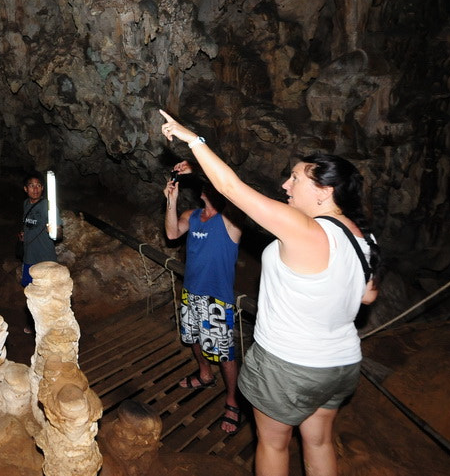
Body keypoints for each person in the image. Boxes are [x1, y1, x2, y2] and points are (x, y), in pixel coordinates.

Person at [159, 109, 379, 476]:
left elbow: (231, 189)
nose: (285, 186)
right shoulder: (361, 236)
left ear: (324, 192)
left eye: (294, 179)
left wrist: (192, 139)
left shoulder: (304, 228)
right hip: (339, 364)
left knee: (274, 446)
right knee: (319, 441)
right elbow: (367, 296)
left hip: (290, 363)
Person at [163, 160, 243, 433]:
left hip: (217, 298)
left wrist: (196, 169)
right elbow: (172, 233)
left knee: (224, 353)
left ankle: (232, 400)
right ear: (202, 192)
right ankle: (204, 374)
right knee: (194, 338)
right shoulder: (192, 215)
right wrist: (171, 201)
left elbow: (232, 187)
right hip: (191, 291)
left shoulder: (231, 221)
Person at [19, 173, 57, 288]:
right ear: (26, 189)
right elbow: (27, 223)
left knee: (47, 290)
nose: (35, 189)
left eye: (38, 185)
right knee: (29, 288)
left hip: (45, 257)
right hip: (29, 257)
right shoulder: (26, 204)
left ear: (43, 188)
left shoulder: (49, 207)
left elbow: (59, 234)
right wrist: (23, 234)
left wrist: (54, 231)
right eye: (31, 186)